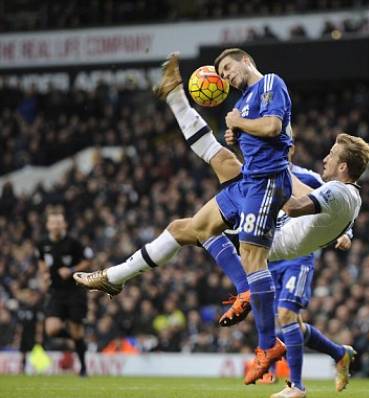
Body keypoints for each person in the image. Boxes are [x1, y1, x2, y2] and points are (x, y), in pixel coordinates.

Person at [75, 49, 294, 384]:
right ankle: (115, 277)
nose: (226, 76)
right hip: (251, 181)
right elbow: (249, 134)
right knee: (188, 225)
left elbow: (274, 126)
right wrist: (238, 131)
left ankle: (266, 342)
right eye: (220, 72)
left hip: (266, 186)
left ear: (246, 60)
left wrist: (239, 124)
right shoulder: (245, 100)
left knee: (249, 254)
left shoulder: (269, 84)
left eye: (228, 68)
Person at [205, 159, 365, 398]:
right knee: (291, 325)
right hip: (269, 256)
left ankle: (297, 386)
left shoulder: (306, 176)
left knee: (288, 315)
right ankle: (339, 353)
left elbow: (337, 205)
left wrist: (347, 234)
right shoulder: (258, 175)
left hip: (298, 257)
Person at [37, 206, 94, 377]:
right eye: (53, 223)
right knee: (52, 329)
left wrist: (71, 269)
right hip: (56, 292)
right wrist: (45, 274)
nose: (56, 226)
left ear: (64, 225)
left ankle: (83, 367)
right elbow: (41, 261)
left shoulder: (74, 243)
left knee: (77, 329)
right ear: (48, 225)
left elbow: (88, 262)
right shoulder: (43, 244)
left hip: (75, 292)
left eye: (59, 223)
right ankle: (76, 341)